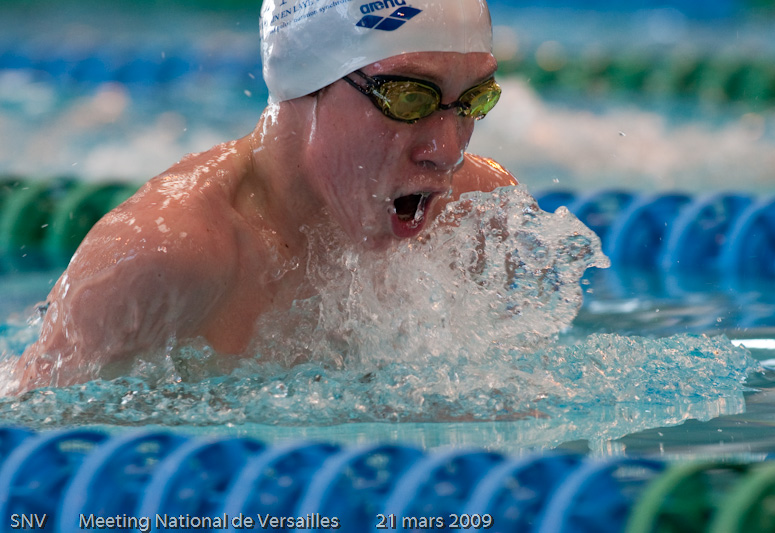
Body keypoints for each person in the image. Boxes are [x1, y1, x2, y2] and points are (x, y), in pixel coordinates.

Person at [13, 0, 518, 393]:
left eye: (474, 101)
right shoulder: (166, 255)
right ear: (307, 79)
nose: (447, 151)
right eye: (409, 98)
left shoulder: (479, 212)